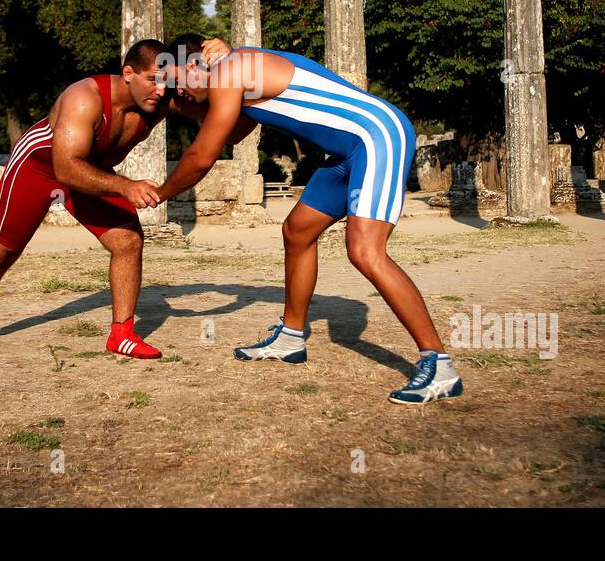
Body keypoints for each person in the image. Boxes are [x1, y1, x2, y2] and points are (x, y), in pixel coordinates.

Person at [156, 35, 462, 405]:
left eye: (176, 82)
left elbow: (203, 156)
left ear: (192, 65)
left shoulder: (229, 70)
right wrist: (185, 105)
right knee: (297, 231)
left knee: (365, 251)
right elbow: (231, 131)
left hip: (376, 136)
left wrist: (159, 194)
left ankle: (439, 365)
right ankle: (290, 337)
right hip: (346, 152)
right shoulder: (233, 75)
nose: (178, 93)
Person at [0, 37, 229, 360]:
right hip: (40, 168)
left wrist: (224, 58)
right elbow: (66, 169)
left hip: (91, 170)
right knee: (1, 252)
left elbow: (218, 102)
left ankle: (122, 335)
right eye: (152, 80)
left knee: (128, 241)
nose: (161, 91)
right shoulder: (84, 98)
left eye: (165, 82)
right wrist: (125, 186)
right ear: (128, 74)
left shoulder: (160, 99)